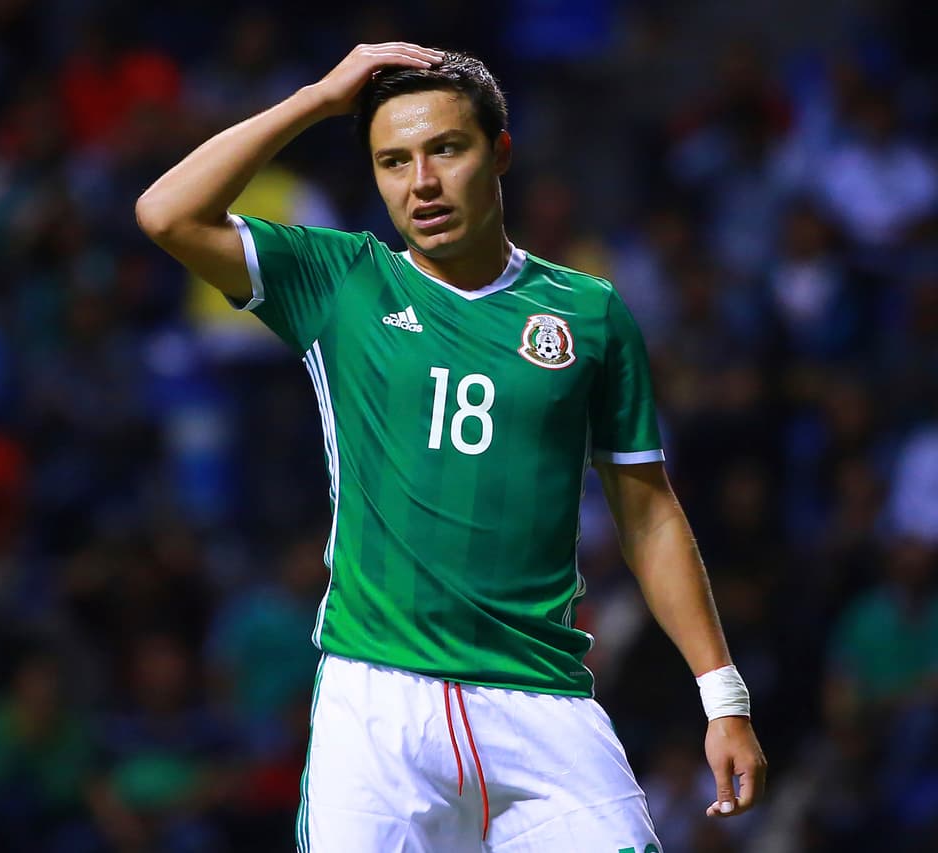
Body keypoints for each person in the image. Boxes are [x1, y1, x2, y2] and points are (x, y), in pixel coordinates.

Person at [136, 43, 767, 852]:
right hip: (377, 705)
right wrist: (317, 99)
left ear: (499, 152)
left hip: (542, 702)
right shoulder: (342, 281)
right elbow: (165, 213)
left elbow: (647, 515)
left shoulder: (589, 313)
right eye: (392, 161)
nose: (421, 183)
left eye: (446, 150)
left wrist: (724, 698)